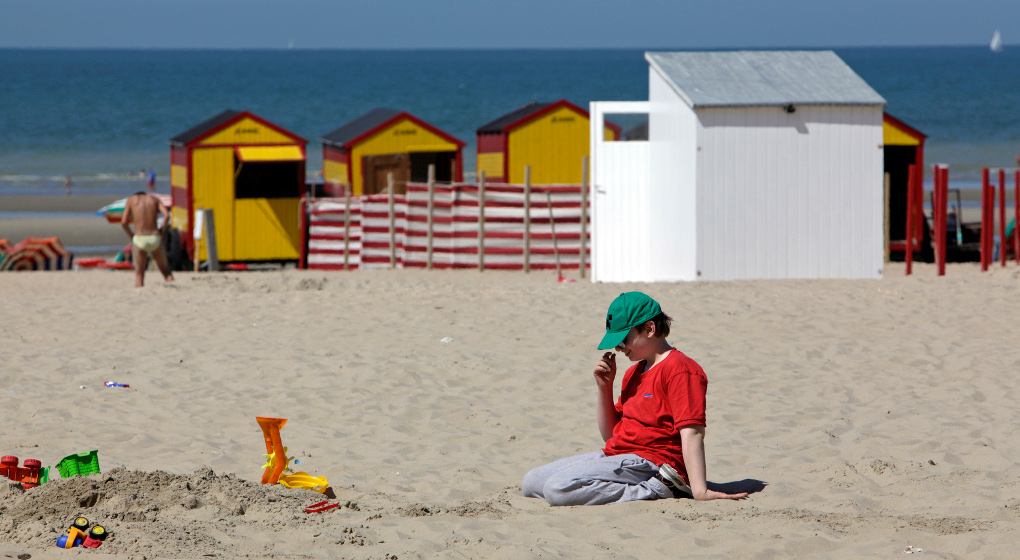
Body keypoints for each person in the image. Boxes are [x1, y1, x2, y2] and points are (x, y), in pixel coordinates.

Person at [522, 291, 748, 506]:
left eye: (623, 340)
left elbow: (693, 431)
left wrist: (700, 490)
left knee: (557, 489)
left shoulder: (680, 369)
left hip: (653, 462)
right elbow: (611, 435)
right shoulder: (634, 372)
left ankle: (661, 488)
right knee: (532, 482)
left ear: (649, 328)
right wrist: (604, 387)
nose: (618, 348)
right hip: (620, 455)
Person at [120, 192, 174, 288]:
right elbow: (166, 215)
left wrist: (131, 236)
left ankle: (140, 289)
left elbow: (124, 221)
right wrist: (161, 231)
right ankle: (173, 286)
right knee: (166, 270)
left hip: (139, 237)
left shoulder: (131, 200)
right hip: (154, 237)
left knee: (139, 274)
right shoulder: (154, 200)